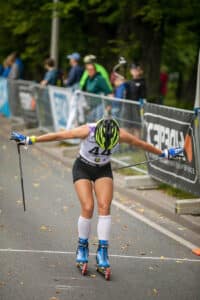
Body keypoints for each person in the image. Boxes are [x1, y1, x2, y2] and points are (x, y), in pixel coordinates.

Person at [10, 117, 183, 280]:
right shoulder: (87, 130)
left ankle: (103, 252)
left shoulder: (121, 134)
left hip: (103, 170)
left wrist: (164, 153)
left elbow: (141, 144)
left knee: (105, 206)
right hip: (83, 167)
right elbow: (59, 135)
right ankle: (82, 248)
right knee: (88, 207)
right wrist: (30, 139)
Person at [122, 63, 146, 137]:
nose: (135, 71)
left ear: (140, 71)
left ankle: (136, 144)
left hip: (137, 107)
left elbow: (143, 96)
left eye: (137, 70)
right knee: (128, 125)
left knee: (136, 125)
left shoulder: (142, 82)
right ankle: (128, 143)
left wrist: (142, 106)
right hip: (128, 107)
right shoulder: (129, 83)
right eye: (133, 70)